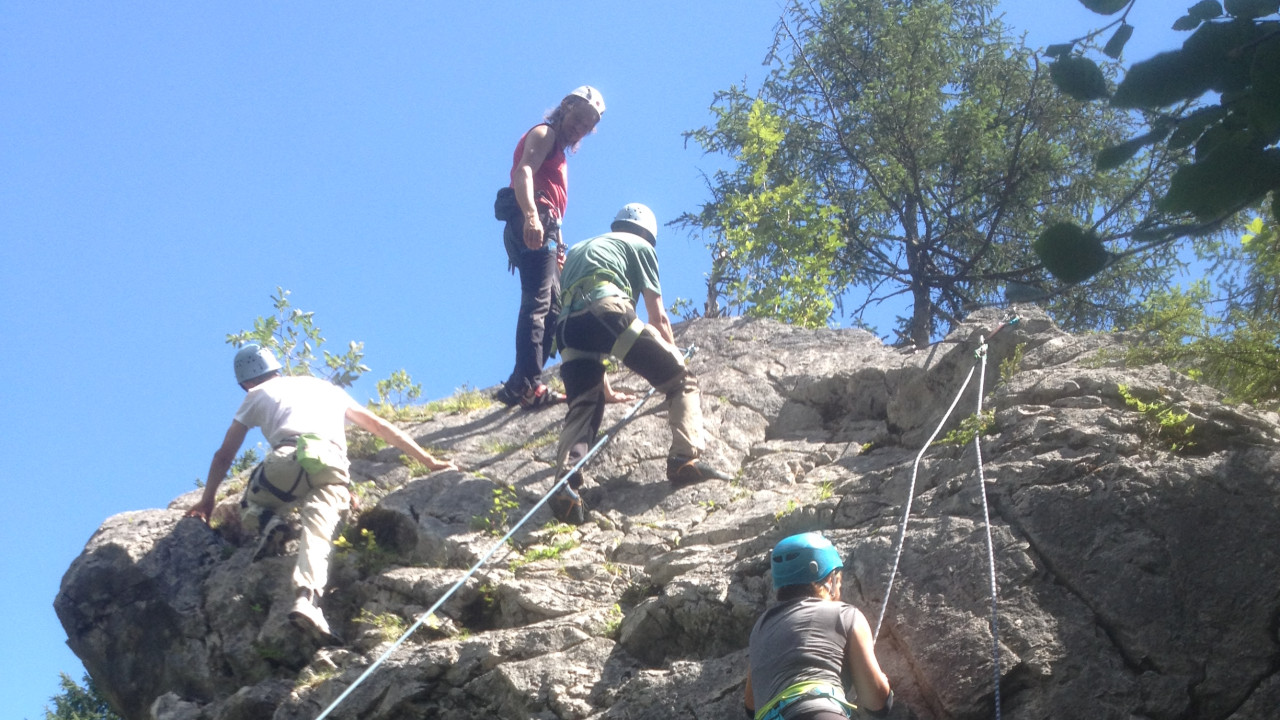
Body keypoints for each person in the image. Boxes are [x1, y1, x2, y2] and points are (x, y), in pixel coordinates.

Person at [186, 344, 457, 644]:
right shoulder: (327, 389)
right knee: (318, 534)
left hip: (286, 460)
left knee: (252, 501)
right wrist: (429, 461)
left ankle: (268, 523)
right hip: (332, 465)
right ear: (276, 368)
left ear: (246, 382)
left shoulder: (256, 395)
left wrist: (208, 499)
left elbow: (224, 455)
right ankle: (307, 600)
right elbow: (379, 426)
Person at [547, 202, 732, 524]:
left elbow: (585, 328)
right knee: (681, 382)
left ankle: (565, 484)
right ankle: (684, 459)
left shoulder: (579, 248)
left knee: (584, 407)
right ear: (648, 233)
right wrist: (673, 357)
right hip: (606, 309)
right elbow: (657, 316)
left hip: (566, 328)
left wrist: (605, 388)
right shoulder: (642, 246)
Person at [493, 85, 606, 410]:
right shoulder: (544, 134)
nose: (580, 127)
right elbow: (523, 171)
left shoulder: (558, 151)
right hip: (535, 216)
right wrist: (531, 216)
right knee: (540, 303)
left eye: (588, 125)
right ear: (566, 105)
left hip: (547, 225)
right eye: (579, 117)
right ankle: (529, 385)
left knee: (553, 307)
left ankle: (520, 382)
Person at [745, 532, 894, 720]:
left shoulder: (760, 628)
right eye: (838, 581)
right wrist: (883, 684)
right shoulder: (845, 615)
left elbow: (751, 706)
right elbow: (878, 703)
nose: (839, 590)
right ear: (830, 580)